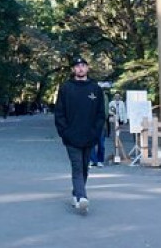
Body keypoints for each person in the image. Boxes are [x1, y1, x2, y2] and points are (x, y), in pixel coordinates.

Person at [54, 54, 105, 215]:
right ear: (73, 69)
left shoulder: (95, 89)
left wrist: (96, 132)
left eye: (83, 65)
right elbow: (59, 113)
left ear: (87, 68)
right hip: (71, 137)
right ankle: (82, 197)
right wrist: (65, 133)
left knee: (84, 167)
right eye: (77, 66)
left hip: (90, 136)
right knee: (77, 167)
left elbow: (100, 114)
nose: (80, 68)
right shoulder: (66, 88)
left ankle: (76, 193)